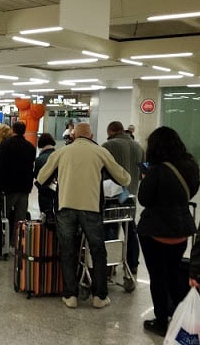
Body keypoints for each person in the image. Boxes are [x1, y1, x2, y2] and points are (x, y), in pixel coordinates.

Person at [37, 122, 130, 309]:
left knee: (68, 250)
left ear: (73, 136)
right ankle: (99, 296)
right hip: (91, 208)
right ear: (92, 135)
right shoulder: (100, 152)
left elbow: (40, 179)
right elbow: (124, 178)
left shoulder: (62, 152)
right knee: (97, 251)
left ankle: (70, 295)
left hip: (65, 207)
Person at [137, 126, 199, 336]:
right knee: (174, 273)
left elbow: (144, 199)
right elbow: (192, 190)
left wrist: (146, 178)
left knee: (158, 277)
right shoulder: (190, 165)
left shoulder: (156, 169)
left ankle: (161, 321)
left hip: (155, 230)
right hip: (182, 228)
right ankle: (180, 315)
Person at [101, 121, 145, 274]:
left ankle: (109, 265)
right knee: (131, 228)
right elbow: (143, 172)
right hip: (130, 194)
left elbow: (100, 170)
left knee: (110, 228)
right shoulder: (138, 147)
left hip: (112, 195)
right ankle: (133, 263)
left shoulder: (108, 146)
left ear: (111, 131)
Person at [0, 121, 36, 245]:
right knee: (20, 217)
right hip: (24, 186)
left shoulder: (5, 145)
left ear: (13, 130)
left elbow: (0, 166)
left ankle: (3, 242)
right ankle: (17, 241)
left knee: (4, 215)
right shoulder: (30, 147)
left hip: (8, 186)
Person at [33, 133, 58, 224]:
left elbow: (37, 176)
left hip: (44, 192)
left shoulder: (40, 159)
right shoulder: (59, 155)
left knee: (46, 218)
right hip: (59, 192)